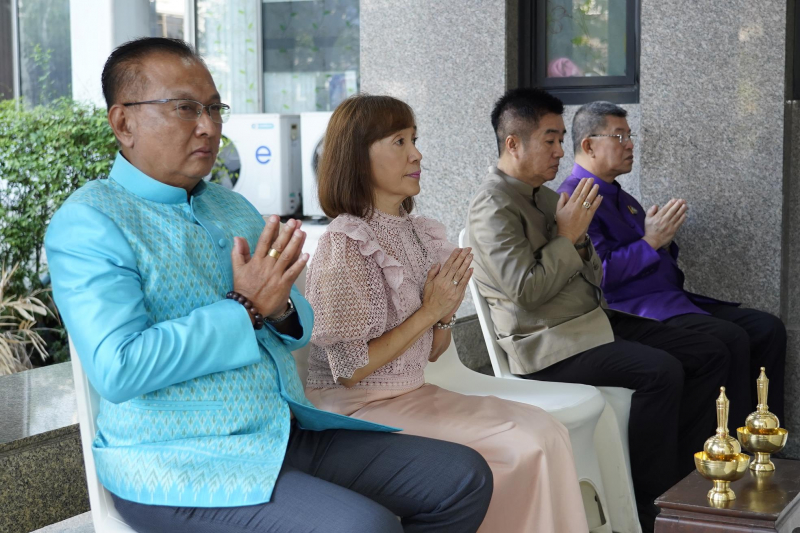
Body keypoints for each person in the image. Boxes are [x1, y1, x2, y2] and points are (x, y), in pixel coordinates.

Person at [44, 38, 493, 533]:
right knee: (362, 527)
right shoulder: (90, 222)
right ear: (123, 122)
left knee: (462, 478)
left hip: (284, 432)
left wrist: (277, 310)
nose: (209, 126)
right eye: (186, 108)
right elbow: (118, 367)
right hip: (180, 461)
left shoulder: (229, 206)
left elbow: (298, 324)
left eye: (215, 108)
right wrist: (245, 306)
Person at [304, 94, 589, 533]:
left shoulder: (420, 233)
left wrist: (443, 315)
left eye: (414, 139)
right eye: (399, 141)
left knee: (546, 429)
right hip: (357, 410)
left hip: (412, 393)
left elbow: (434, 352)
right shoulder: (344, 243)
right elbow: (348, 370)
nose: (416, 153)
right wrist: (430, 311)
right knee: (523, 444)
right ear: (357, 157)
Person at [465, 87, 729, 533]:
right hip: (547, 345)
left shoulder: (546, 198)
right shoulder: (492, 208)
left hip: (589, 324)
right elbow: (526, 291)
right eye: (549, 140)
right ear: (513, 142)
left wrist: (575, 239)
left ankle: (692, 480)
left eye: (560, 138)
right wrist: (568, 237)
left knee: (708, 349)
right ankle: (652, 506)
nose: (559, 151)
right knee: (660, 371)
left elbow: (595, 276)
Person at [557, 100, 786, 427]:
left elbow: (656, 256)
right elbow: (600, 274)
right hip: (636, 311)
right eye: (619, 137)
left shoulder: (621, 197)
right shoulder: (577, 199)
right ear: (589, 145)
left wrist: (659, 240)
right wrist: (650, 241)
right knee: (731, 337)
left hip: (672, 300)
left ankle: (764, 432)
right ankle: (731, 447)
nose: (631, 144)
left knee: (768, 329)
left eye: (629, 135)